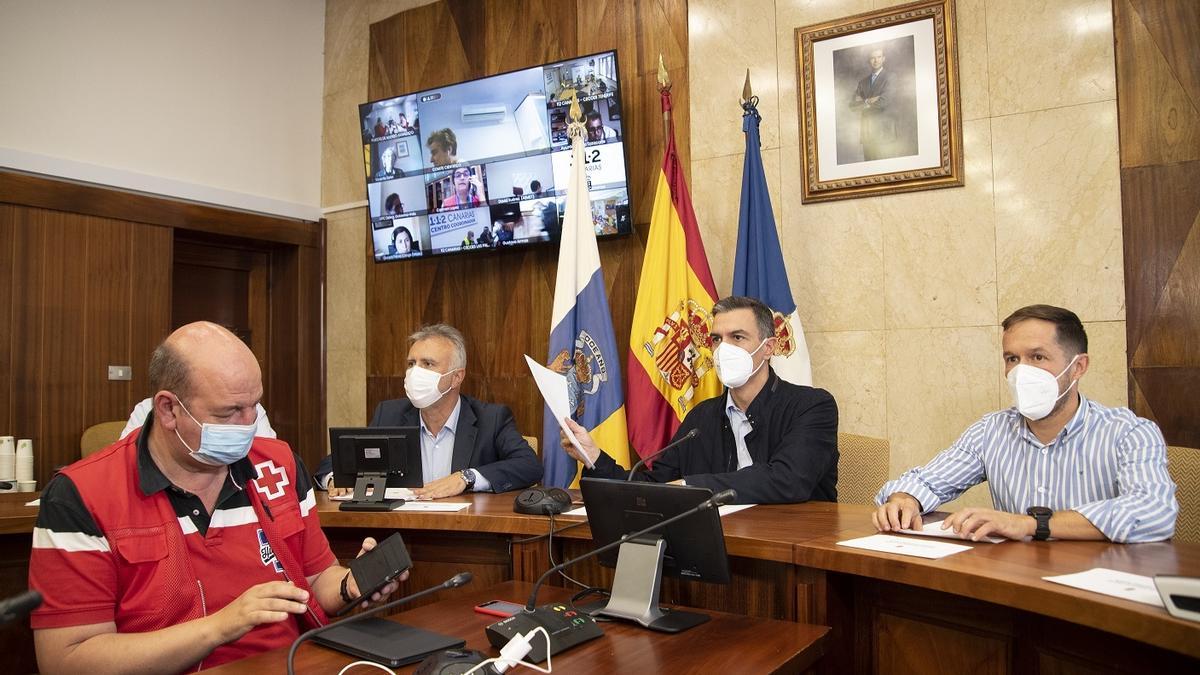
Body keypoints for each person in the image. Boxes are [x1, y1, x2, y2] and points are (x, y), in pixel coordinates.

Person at [29, 322, 403, 672]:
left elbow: (316, 578)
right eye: (229, 412)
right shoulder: (82, 494)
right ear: (169, 409)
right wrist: (220, 627)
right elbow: (66, 659)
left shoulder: (279, 466)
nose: (248, 425)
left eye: (254, 406)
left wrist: (351, 585)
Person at [873, 305, 1178, 543]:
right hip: (1018, 585)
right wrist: (905, 499)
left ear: (1078, 367)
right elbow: (926, 481)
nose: (1022, 372)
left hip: (1101, 591)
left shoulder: (1130, 432)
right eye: (1012, 359)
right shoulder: (991, 430)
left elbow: (1153, 513)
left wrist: (1031, 524)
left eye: (1038, 357)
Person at [563, 296, 839, 504]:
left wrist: (690, 487)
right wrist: (595, 458)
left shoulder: (812, 407)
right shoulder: (702, 417)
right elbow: (655, 484)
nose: (723, 349)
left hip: (797, 554)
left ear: (767, 348)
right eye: (717, 339)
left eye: (738, 337)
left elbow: (788, 480)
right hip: (725, 548)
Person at [318, 324, 541, 498]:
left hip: (466, 536)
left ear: (457, 377)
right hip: (402, 533)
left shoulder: (491, 418)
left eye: (428, 364)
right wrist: (333, 479)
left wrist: (466, 478)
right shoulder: (391, 414)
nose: (415, 373)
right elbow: (338, 460)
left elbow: (529, 465)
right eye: (411, 363)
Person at [121, 397, 275, 440]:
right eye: (227, 411)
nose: (247, 424)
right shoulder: (148, 410)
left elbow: (268, 460)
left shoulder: (250, 409)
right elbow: (127, 468)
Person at [848, 48, 897, 161]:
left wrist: (863, 102)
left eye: (879, 57)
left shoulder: (890, 77)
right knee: (869, 168)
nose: (876, 60)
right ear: (869, 60)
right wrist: (868, 101)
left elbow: (885, 101)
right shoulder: (862, 82)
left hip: (883, 132)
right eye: (872, 58)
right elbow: (852, 105)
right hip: (866, 132)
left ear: (883, 59)